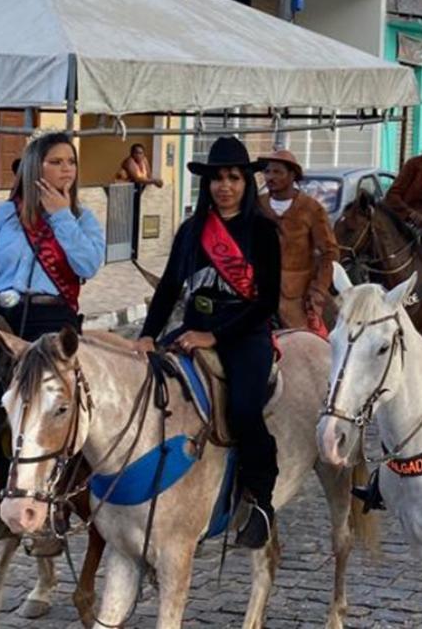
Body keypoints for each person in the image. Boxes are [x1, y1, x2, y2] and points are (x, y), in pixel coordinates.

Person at [138, 137, 281, 549]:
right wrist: (147, 335)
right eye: (217, 178)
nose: (225, 186)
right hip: (191, 333)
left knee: (243, 410)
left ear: (246, 182)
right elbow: (168, 288)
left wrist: (214, 335)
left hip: (243, 337)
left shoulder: (262, 232)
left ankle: (259, 500)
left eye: (233, 177)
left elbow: (266, 302)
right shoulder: (191, 231)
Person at [0, 132, 105, 340]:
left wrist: (62, 217)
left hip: (52, 318)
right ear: (34, 168)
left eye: (71, 162)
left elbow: (88, 266)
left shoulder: (82, 218)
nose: (66, 168)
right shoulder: (2, 214)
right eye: (56, 162)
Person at [258, 148, 337, 333]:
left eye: (277, 172)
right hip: (259, 294)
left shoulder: (311, 208)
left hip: (296, 299)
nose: (270, 177)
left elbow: (330, 252)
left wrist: (318, 290)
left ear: (292, 175)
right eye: (267, 171)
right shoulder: (257, 205)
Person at [117, 143, 164, 261]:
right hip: (124, 194)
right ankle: (123, 249)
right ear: (132, 154)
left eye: (141, 153)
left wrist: (152, 180)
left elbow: (147, 175)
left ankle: (134, 249)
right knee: (124, 221)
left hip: (138, 194)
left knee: (136, 220)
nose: (139, 155)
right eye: (137, 153)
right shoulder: (129, 162)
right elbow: (138, 178)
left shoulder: (144, 161)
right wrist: (154, 181)